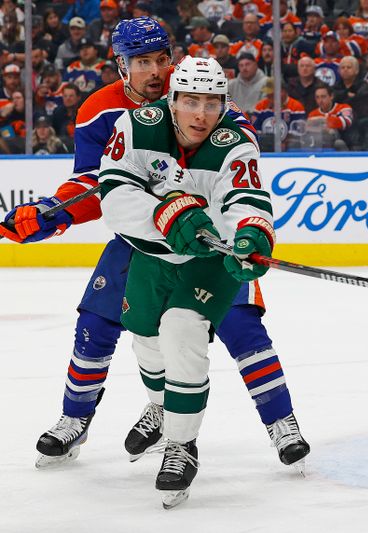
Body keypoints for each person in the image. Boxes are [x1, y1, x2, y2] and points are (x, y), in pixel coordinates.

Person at [0, 17, 309, 472]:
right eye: (142, 62)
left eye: (161, 60)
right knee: (97, 322)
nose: (154, 71)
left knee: (240, 325)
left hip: (204, 238)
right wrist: (55, 213)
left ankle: (282, 423)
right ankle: (81, 417)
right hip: (143, 236)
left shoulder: (196, 98)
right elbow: (93, 183)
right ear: (121, 66)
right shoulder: (100, 111)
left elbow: (234, 170)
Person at [96, 55, 271, 508]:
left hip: (206, 260)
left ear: (224, 105)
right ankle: (161, 406)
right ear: (172, 101)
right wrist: (165, 211)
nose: (200, 114)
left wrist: (250, 234)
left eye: (212, 103)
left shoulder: (235, 140)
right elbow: (113, 198)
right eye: (191, 101)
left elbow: (245, 200)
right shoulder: (136, 127)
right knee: (144, 337)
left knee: (181, 330)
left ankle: (182, 445)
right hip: (151, 255)